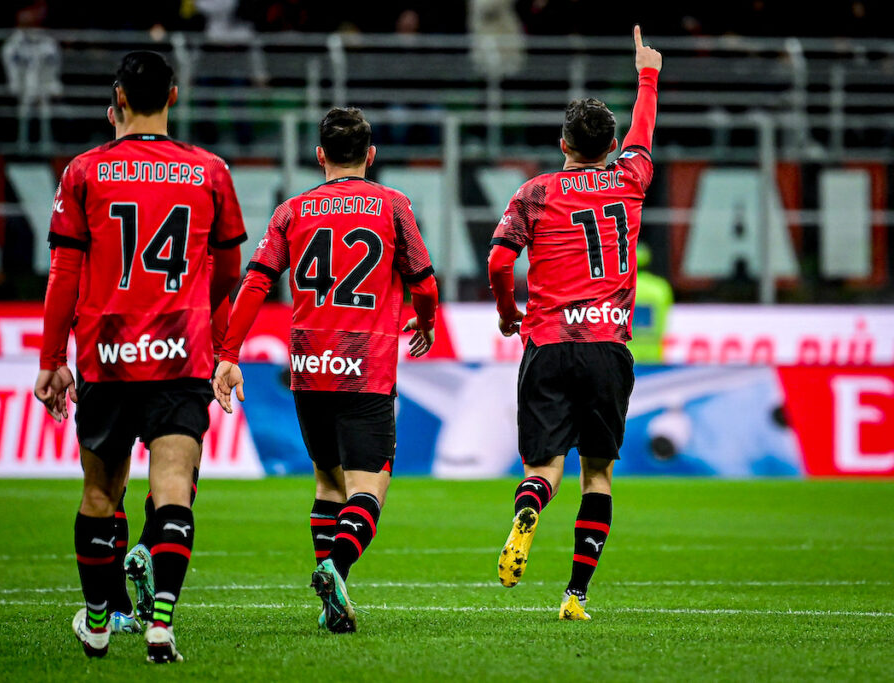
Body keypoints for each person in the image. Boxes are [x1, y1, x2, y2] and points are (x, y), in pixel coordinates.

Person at [33, 50, 246, 662]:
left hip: (107, 356)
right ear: (173, 97)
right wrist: (207, 329)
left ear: (119, 99)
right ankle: (160, 625)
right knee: (175, 487)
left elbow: (64, 274)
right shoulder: (209, 171)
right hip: (180, 355)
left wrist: (52, 359)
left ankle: (99, 623)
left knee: (101, 495)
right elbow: (227, 270)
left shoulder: (84, 172)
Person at [212, 107, 439, 633]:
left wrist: (229, 352)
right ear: (371, 156)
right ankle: (334, 569)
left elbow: (255, 283)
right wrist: (425, 322)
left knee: (325, 478)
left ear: (319, 157)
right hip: (366, 364)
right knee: (371, 484)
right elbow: (424, 283)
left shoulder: (292, 211)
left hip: (310, 365)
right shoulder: (393, 205)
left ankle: (329, 594)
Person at [487, 26, 662, 620]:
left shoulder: (536, 192)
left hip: (549, 342)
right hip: (608, 344)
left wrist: (511, 314)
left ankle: (530, 506)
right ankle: (575, 595)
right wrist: (647, 73)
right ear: (611, 144)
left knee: (543, 468)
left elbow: (498, 259)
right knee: (598, 473)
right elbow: (645, 133)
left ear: (563, 142)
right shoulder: (630, 179)